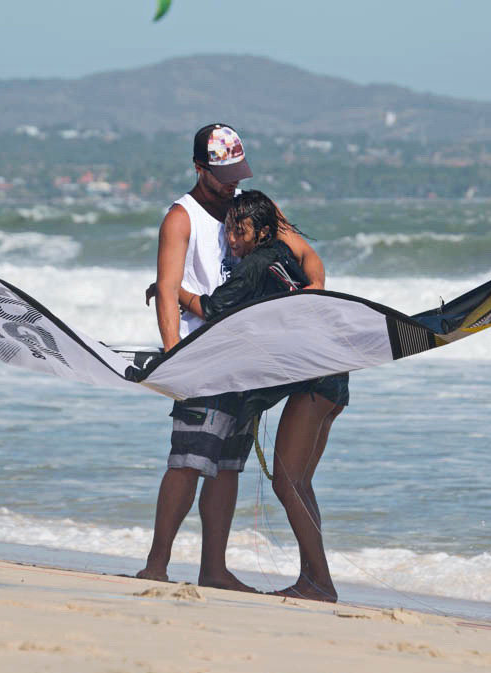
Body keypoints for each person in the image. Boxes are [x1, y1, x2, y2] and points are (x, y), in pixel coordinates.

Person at [135, 124, 324, 591]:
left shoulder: (255, 209)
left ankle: (213, 570)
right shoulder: (181, 218)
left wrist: (310, 301)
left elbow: (311, 261)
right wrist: (173, 354)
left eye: (237, 172)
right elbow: (166, 291)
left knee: (227, 465)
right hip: (204, 358)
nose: (231, 182)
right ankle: (156, 565)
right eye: (222, 174)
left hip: (248, 363)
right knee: (188, 460)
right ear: (199, 168)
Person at [167, 190, 349, 602]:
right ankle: (315, 579)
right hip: (334, 373)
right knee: (300, 482)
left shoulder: (255, 263)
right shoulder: (284, 254)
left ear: (262, 231)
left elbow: (211, 309)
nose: (231, 238)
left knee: (288, 483)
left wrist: (170, 289)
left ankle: (320, 583)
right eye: (228, 229)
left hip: (314, 378)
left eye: (240, 231)